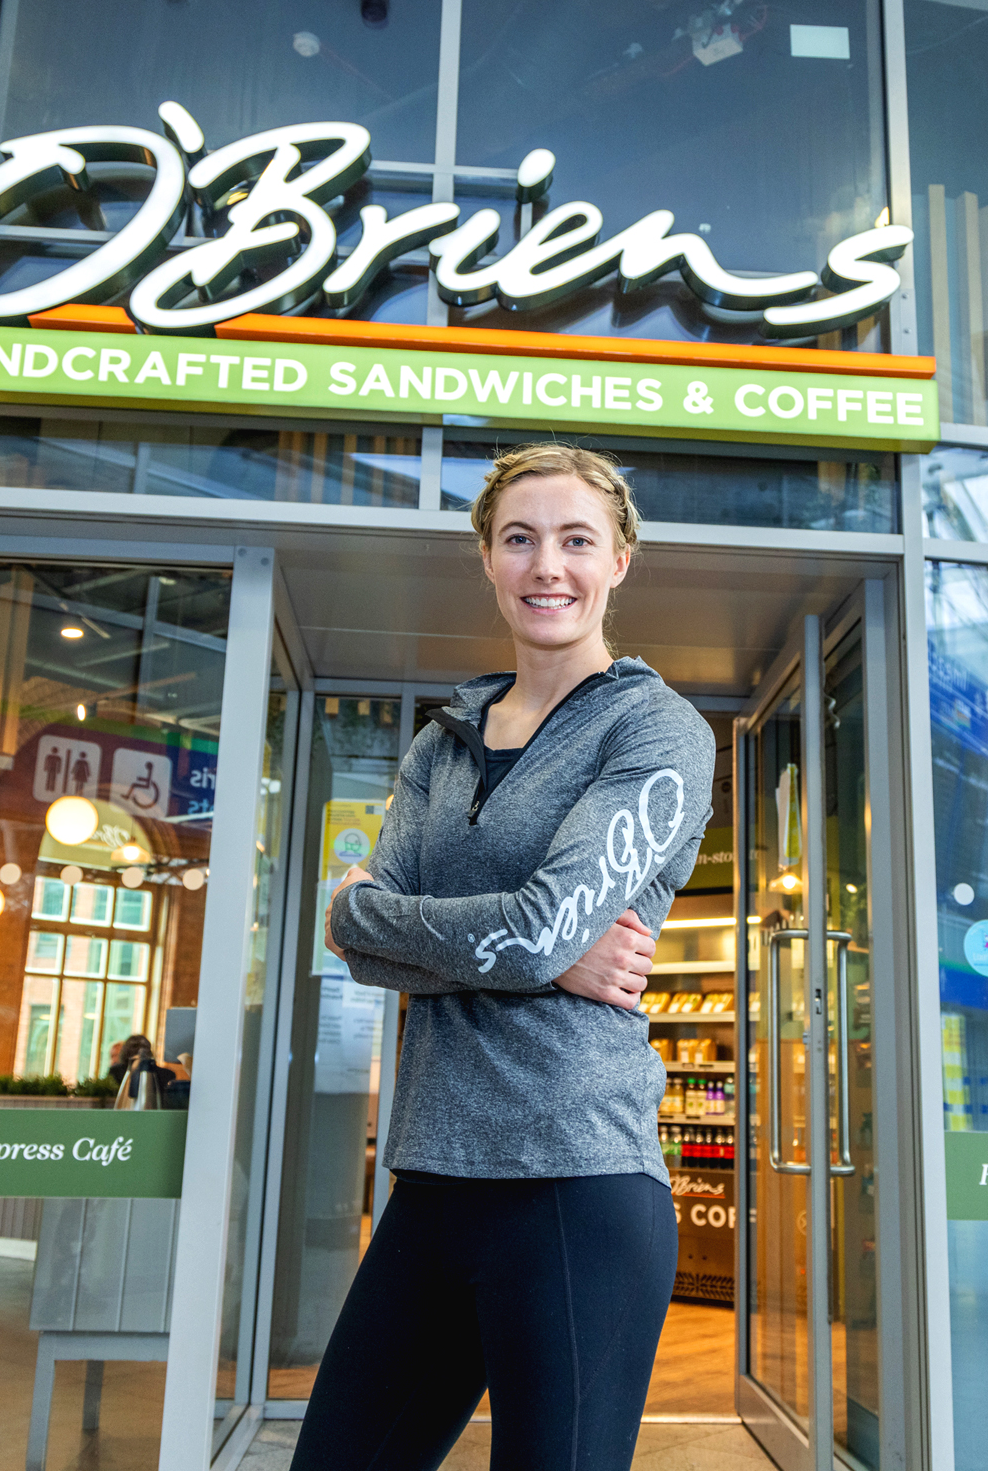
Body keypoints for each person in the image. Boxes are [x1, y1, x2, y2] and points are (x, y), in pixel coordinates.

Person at [292, 444, 715, 1471]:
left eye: (576, 539)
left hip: (576, 1186)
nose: (547, 566)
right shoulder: (442, 742)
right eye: (519, 539)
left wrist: (500, 937)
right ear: (486, 557)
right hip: (433, 1179)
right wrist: (543, 954)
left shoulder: (656, 731)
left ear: (620, 559)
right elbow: (348, 928)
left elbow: (512, 925)